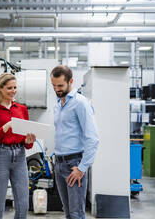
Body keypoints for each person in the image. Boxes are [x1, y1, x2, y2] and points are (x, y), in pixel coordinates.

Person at [0, 73, 36, 219]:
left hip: (19, 155)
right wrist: (5, 127)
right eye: (9, 88)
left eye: (15, 88)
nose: (13, 91)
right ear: (0, 89)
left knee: (23, 205)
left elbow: (26, 141)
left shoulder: (21, 109)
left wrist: (29, 141)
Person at [50, 65, 99, 219]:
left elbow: (93, 138)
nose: (57, 89)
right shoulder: (58, 105)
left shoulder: (80, 103)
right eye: (53, 86)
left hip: (74, 164)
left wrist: (82, 168)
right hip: (59, 164)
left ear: (71, 81)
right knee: (68, 212)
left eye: (60, 85)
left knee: (76, 214)